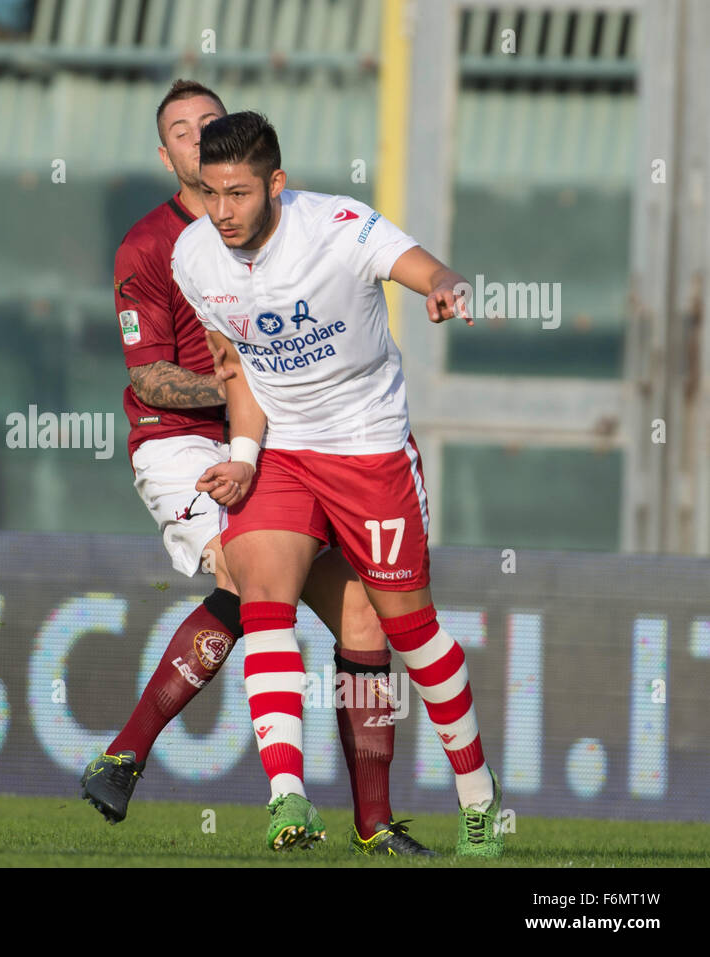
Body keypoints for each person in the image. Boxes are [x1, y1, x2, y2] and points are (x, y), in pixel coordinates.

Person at [80, 81, 435, 857]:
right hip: (180, 444)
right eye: (180, 130)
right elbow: (148, 377)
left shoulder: (286, 227)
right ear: (167, 154)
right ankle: (131, 753)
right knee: (248, 575)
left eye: (209, 124)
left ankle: (373, 824)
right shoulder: (152, 247)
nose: (196, 136)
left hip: (279, 442)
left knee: (365, 615)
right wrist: (253, 385)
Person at [177, 110, 504, 857]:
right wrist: (246, 454)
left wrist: (445, 283)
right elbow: (242, 373)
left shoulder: (339, 226)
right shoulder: (194, 257)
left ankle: (478, 795)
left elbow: (413, 262)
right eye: (208, 192)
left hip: (369, 450)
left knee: (411, 635)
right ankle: (287, 795)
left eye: (238, 193)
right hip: (284, 452)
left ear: (277, 185)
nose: (221, 211)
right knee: (264, 594)